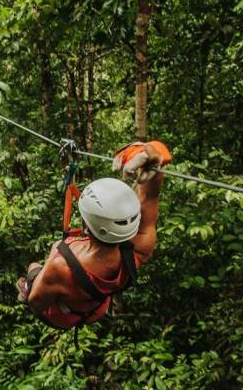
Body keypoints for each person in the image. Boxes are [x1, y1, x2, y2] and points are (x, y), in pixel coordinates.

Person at [16, 140, 172, 330]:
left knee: (34, 267)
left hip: (61, 317)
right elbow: (150, 196)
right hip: (94, 310)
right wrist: (153, 158)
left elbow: (37, 303)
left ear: (86, 225)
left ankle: (23, 287)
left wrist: (30, 288)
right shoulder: (139, 248)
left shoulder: (60, 266)